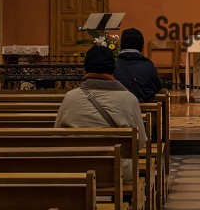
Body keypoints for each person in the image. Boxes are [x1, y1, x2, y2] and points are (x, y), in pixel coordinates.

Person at [55, 44, 146, 178]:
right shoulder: (129, 98)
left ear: (85, 67)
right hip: (116, 171)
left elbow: (56, 135)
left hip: (77, 169)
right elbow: (140, 142)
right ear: (113, 68)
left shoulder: (71, 97)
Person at [114, 27, 164, 102]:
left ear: (121, 45)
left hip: (120, 108)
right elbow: (156, 87)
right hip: (143, 108)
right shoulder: (148, 66)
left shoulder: (112, 66)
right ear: (142, 46)